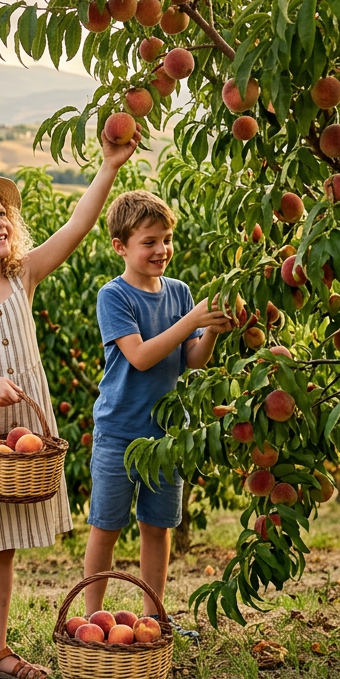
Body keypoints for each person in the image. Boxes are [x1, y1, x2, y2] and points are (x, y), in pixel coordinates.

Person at [0, 125, 141, 679]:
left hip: (18, 445)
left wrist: (109, 167)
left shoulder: (23, 278)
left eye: (1, 214)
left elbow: (77, 226)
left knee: (1, 544)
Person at [81, 190, 233, 625]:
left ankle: (154, 618)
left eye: (166, 239)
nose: (161, 250)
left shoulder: (180, 292)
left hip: (168, 434)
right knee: (106, 527)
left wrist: (214, 330)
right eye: (148, 242)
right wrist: (192, 320)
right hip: (120, 431)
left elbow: (191, 358)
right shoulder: (114, 296)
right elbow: (141, 356)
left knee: (157, 527)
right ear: (120, 247)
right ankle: (94, 620)